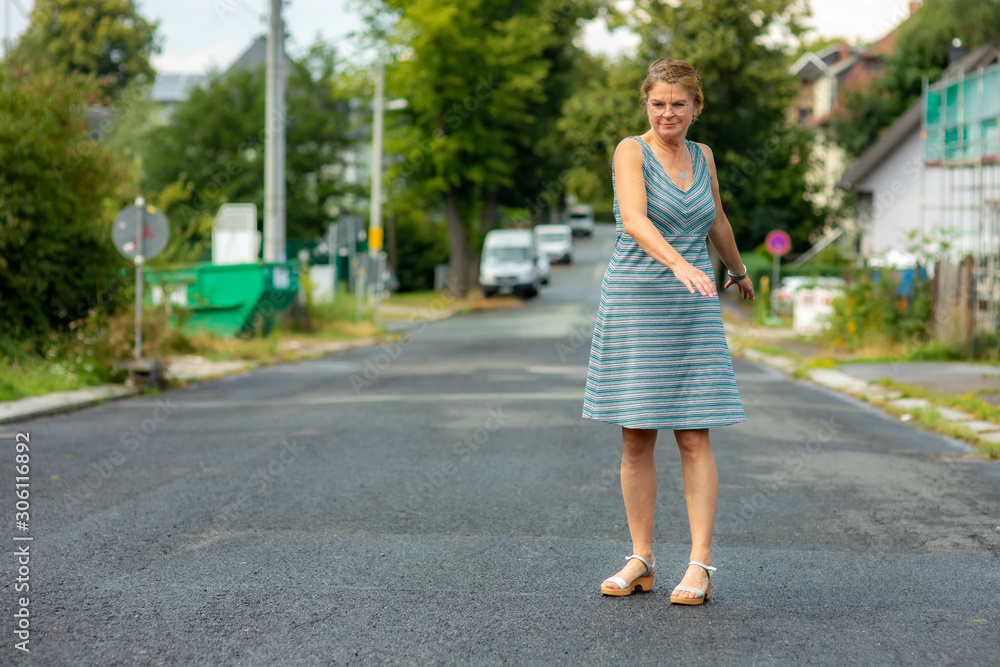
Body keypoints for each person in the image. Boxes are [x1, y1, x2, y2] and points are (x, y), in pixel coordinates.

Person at [582, 57, 755, 605]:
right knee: (635, 435)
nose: (667, 113)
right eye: (658, 103)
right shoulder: (630, 150)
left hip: (693, 305)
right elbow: (634, 219)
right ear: (646, 105)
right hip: (638, 300)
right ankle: (641, 558)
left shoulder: (703, 157)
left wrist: (738, 268)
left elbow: (717, 221)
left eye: (678, 103)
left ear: (695, 107)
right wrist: (677, 264)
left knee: (693, 431)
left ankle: (699, 565)